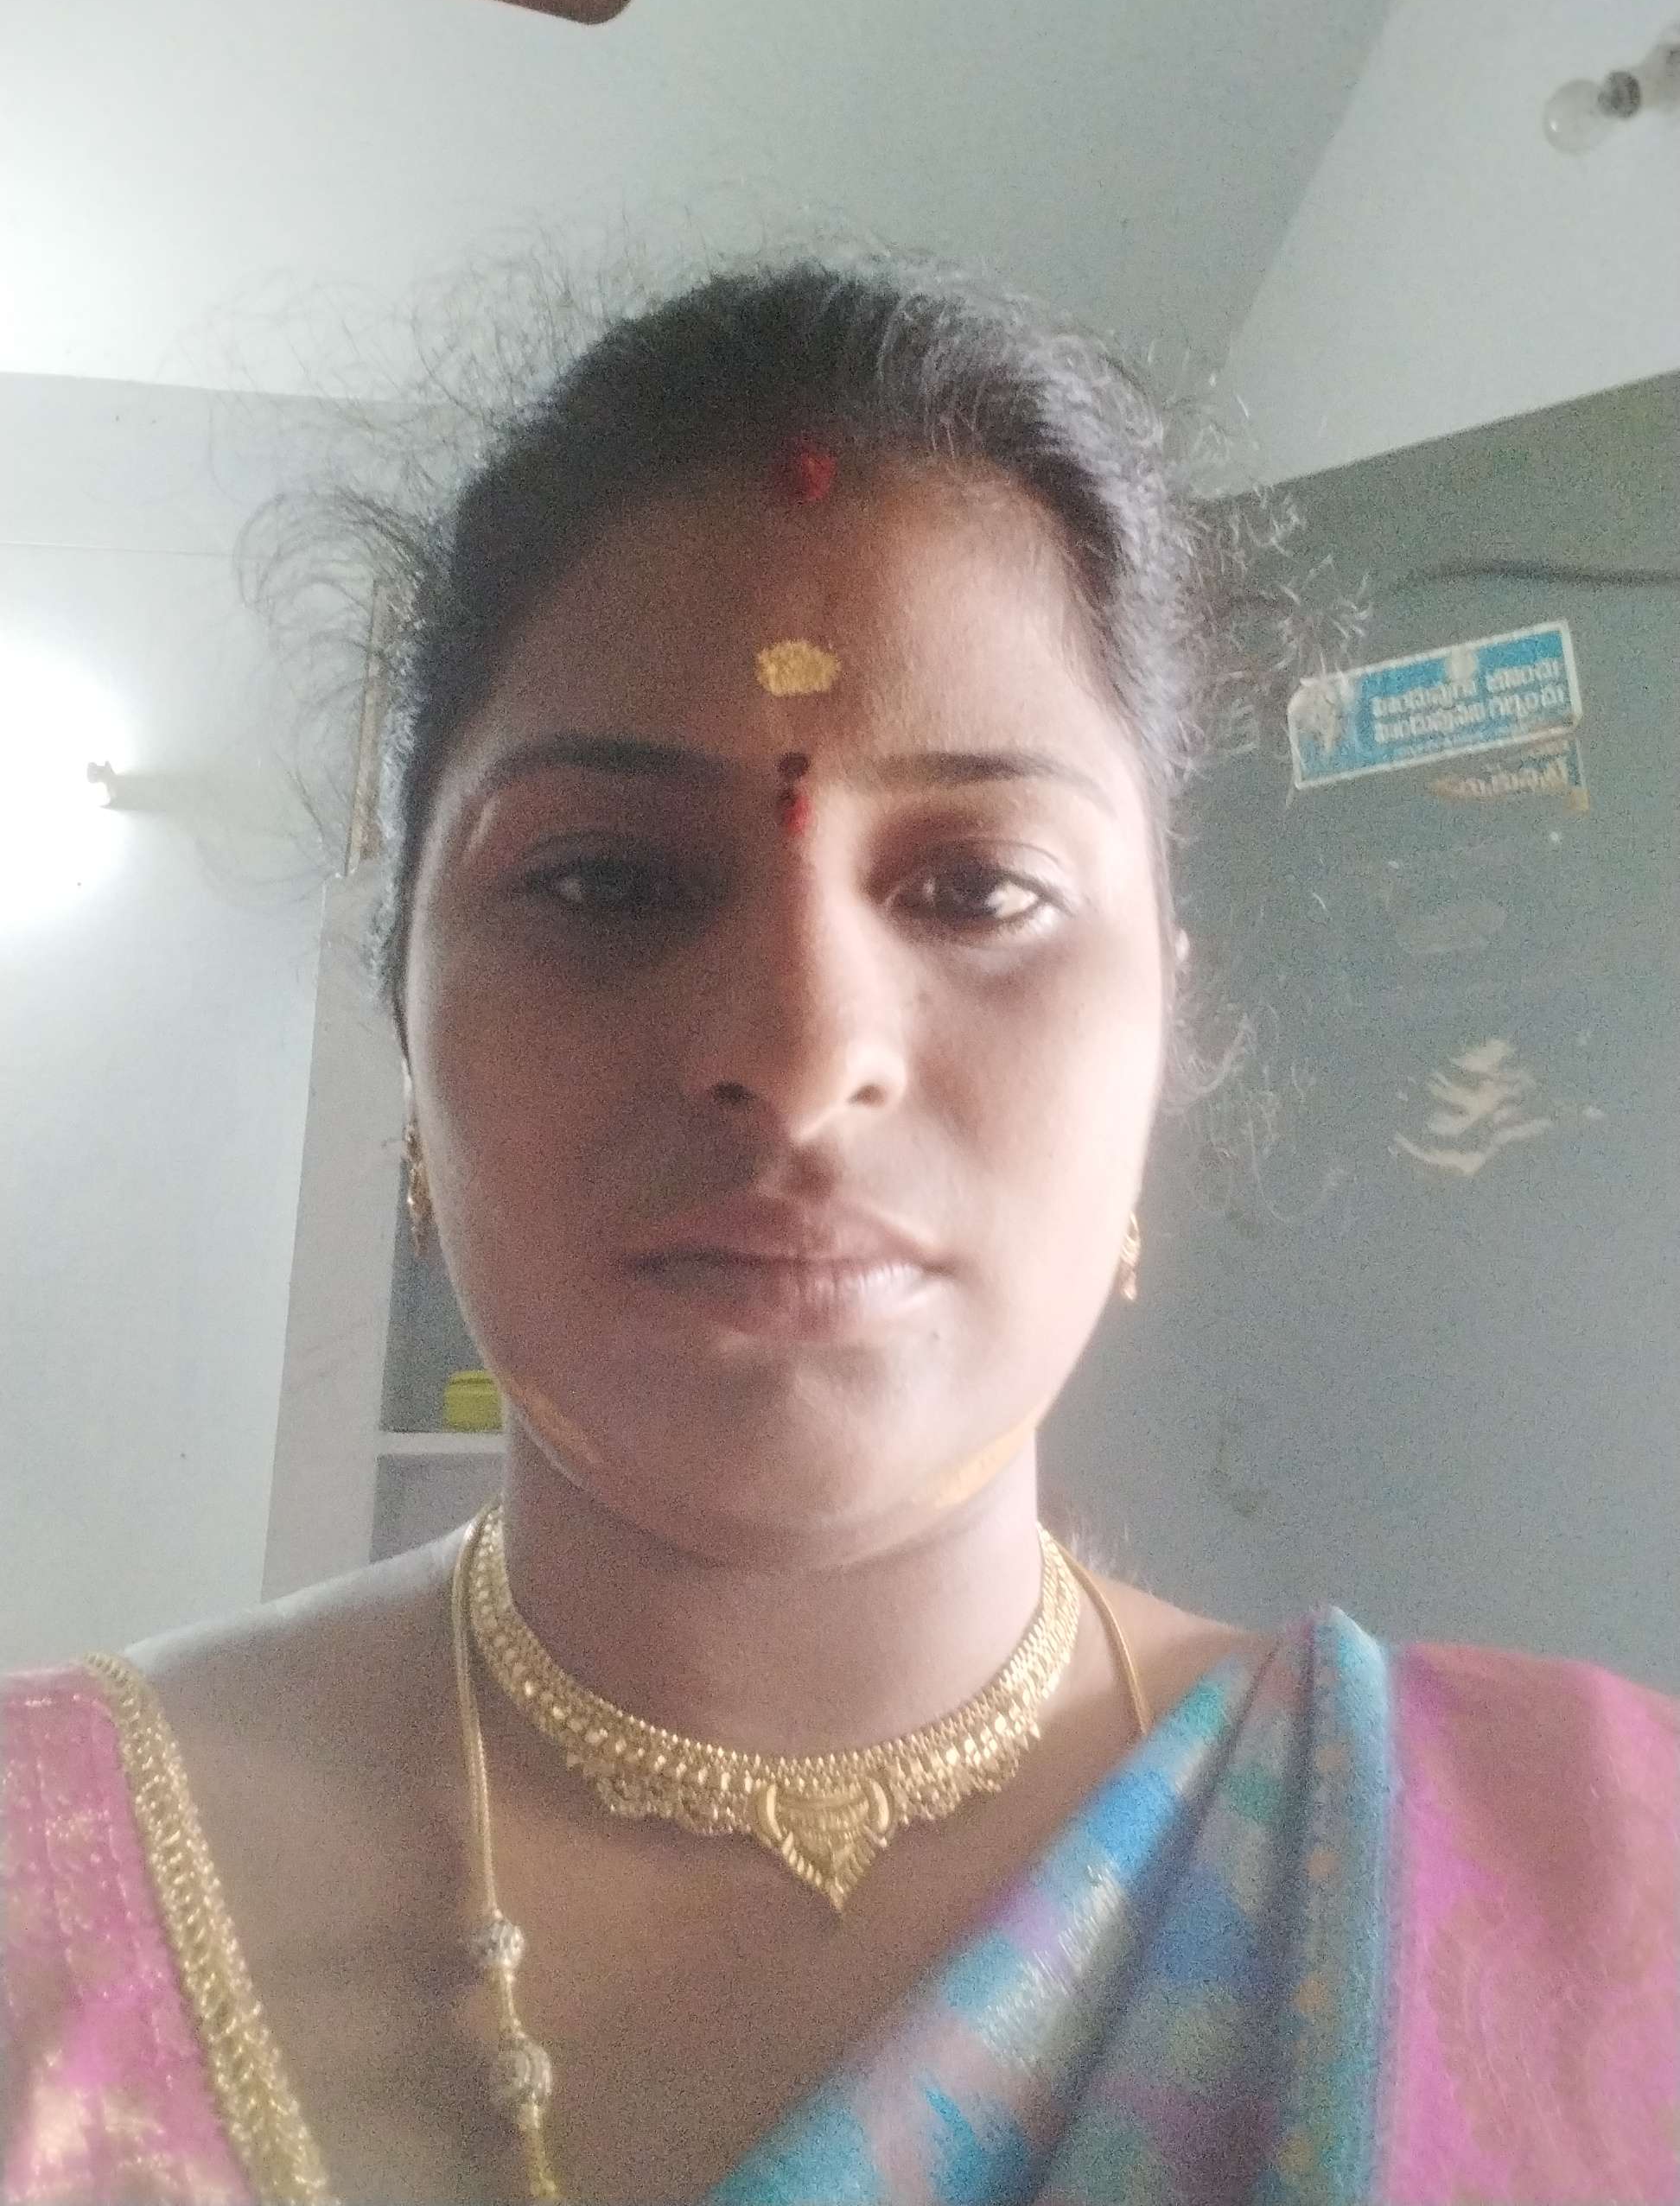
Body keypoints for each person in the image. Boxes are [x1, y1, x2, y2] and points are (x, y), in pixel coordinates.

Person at [3, 258, 1674, 2206]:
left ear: (1164, 1025)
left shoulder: (1598, 1889)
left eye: (976, 889)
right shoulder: (40, 1906)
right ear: (408, 1030)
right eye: (607, 882)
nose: (799, 1062)